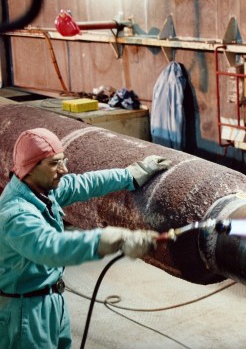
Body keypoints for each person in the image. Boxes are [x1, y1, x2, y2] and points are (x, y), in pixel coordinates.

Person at [0, 128, 171, 349]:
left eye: (63, 161)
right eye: (54, 164)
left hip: (51, 300)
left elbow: (85, 183)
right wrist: (109, 240)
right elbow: (51, 248)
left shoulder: (40, 190)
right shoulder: (16, 214)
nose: (63, 170)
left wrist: (131, 174)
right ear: (30, 168)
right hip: (25, 313)